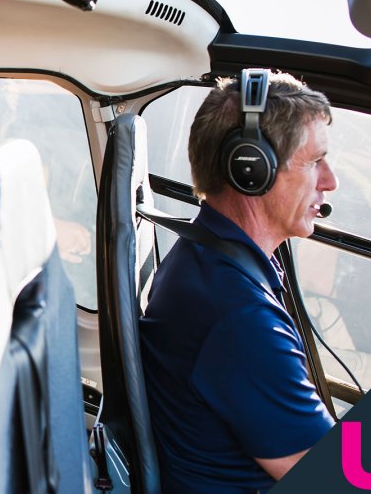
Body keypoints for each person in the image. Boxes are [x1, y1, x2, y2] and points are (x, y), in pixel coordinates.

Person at [139, 70, 338, 493]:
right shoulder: (239, 315)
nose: (330, 182)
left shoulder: (205, 254)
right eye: (315, 161)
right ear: (251, 170)